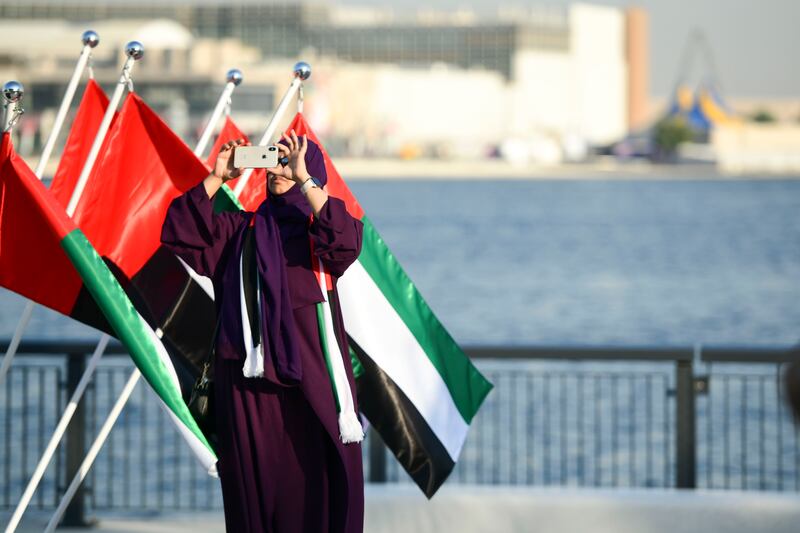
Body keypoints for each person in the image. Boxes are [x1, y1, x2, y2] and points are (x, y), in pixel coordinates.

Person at [161, 131, 365, 533]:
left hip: (313, 392)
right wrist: (218, 176)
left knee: (317, 495)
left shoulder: (317, 235)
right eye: (274, 160)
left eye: (289, 161)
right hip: (248, 392)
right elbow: (180, 231)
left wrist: (304, 179)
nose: (279, 169)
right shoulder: (239, 231)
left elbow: (346, 240)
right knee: (255, 502)